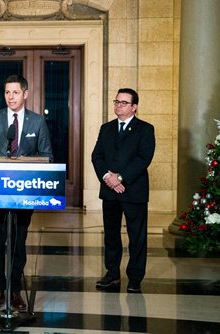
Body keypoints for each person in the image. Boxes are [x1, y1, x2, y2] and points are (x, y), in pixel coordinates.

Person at [0, 75, 53, 311]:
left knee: (17, 243)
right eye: (7, 92)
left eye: (15, 92)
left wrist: (32, 161)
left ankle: (15, 290)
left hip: (24, 194)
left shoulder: (37, 122)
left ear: (25, 94)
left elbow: (48, 155)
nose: (10, 97)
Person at [91, 88, 155, 293]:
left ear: (134, 107)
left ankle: (135, 278)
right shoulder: (106, 128)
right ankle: (112, 274)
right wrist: (107, 178)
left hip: (133, 191)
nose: (118, 105)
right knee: (111, 235)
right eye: (116, 101)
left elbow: (143, 158)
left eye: (123, 102)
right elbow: (96, 156)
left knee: (136, 236)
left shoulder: (145, 129)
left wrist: (120, 177)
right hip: (110, 191)